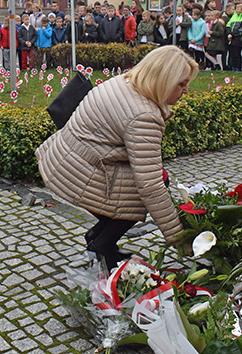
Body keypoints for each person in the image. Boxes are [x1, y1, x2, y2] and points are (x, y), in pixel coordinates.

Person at [36, 46, 195, 269]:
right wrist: (180, 239)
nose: (186, 91)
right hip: (80, 172)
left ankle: (98, 236)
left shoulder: (126, 81)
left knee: (159, 178)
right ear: (164, 80)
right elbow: (150, 187)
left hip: (66, 158)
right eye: (182, 84)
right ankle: (102, 245)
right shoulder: (144, 116)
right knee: (145, 191)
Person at [226, 3, 242, 71]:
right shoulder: (234, 16)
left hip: (238, 38)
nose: (236, 10)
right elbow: (228, 25)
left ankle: (238, 67)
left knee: (237, 53)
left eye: (238, 9)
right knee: (232, 53)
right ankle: (233, 66)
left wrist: (232, 34)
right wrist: (229, 34)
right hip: (231, 38)